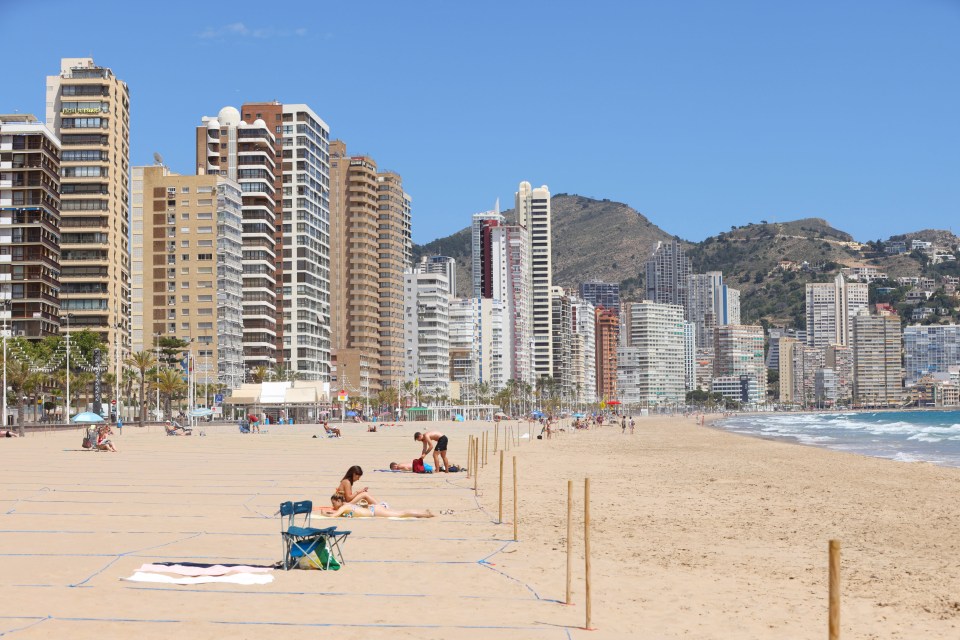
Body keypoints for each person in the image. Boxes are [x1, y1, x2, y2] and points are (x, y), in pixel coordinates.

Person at [329, 494, 433, 518]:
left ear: (339, 501)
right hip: (374, 508)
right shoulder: (346, 505)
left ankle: (425, 514)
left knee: (401, 514)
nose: (333, 506)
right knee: (400, 513)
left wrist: (326, 514)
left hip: (375, 511)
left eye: (334, 503)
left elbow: (334, 516)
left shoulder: (344, 507)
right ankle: (423, 513)